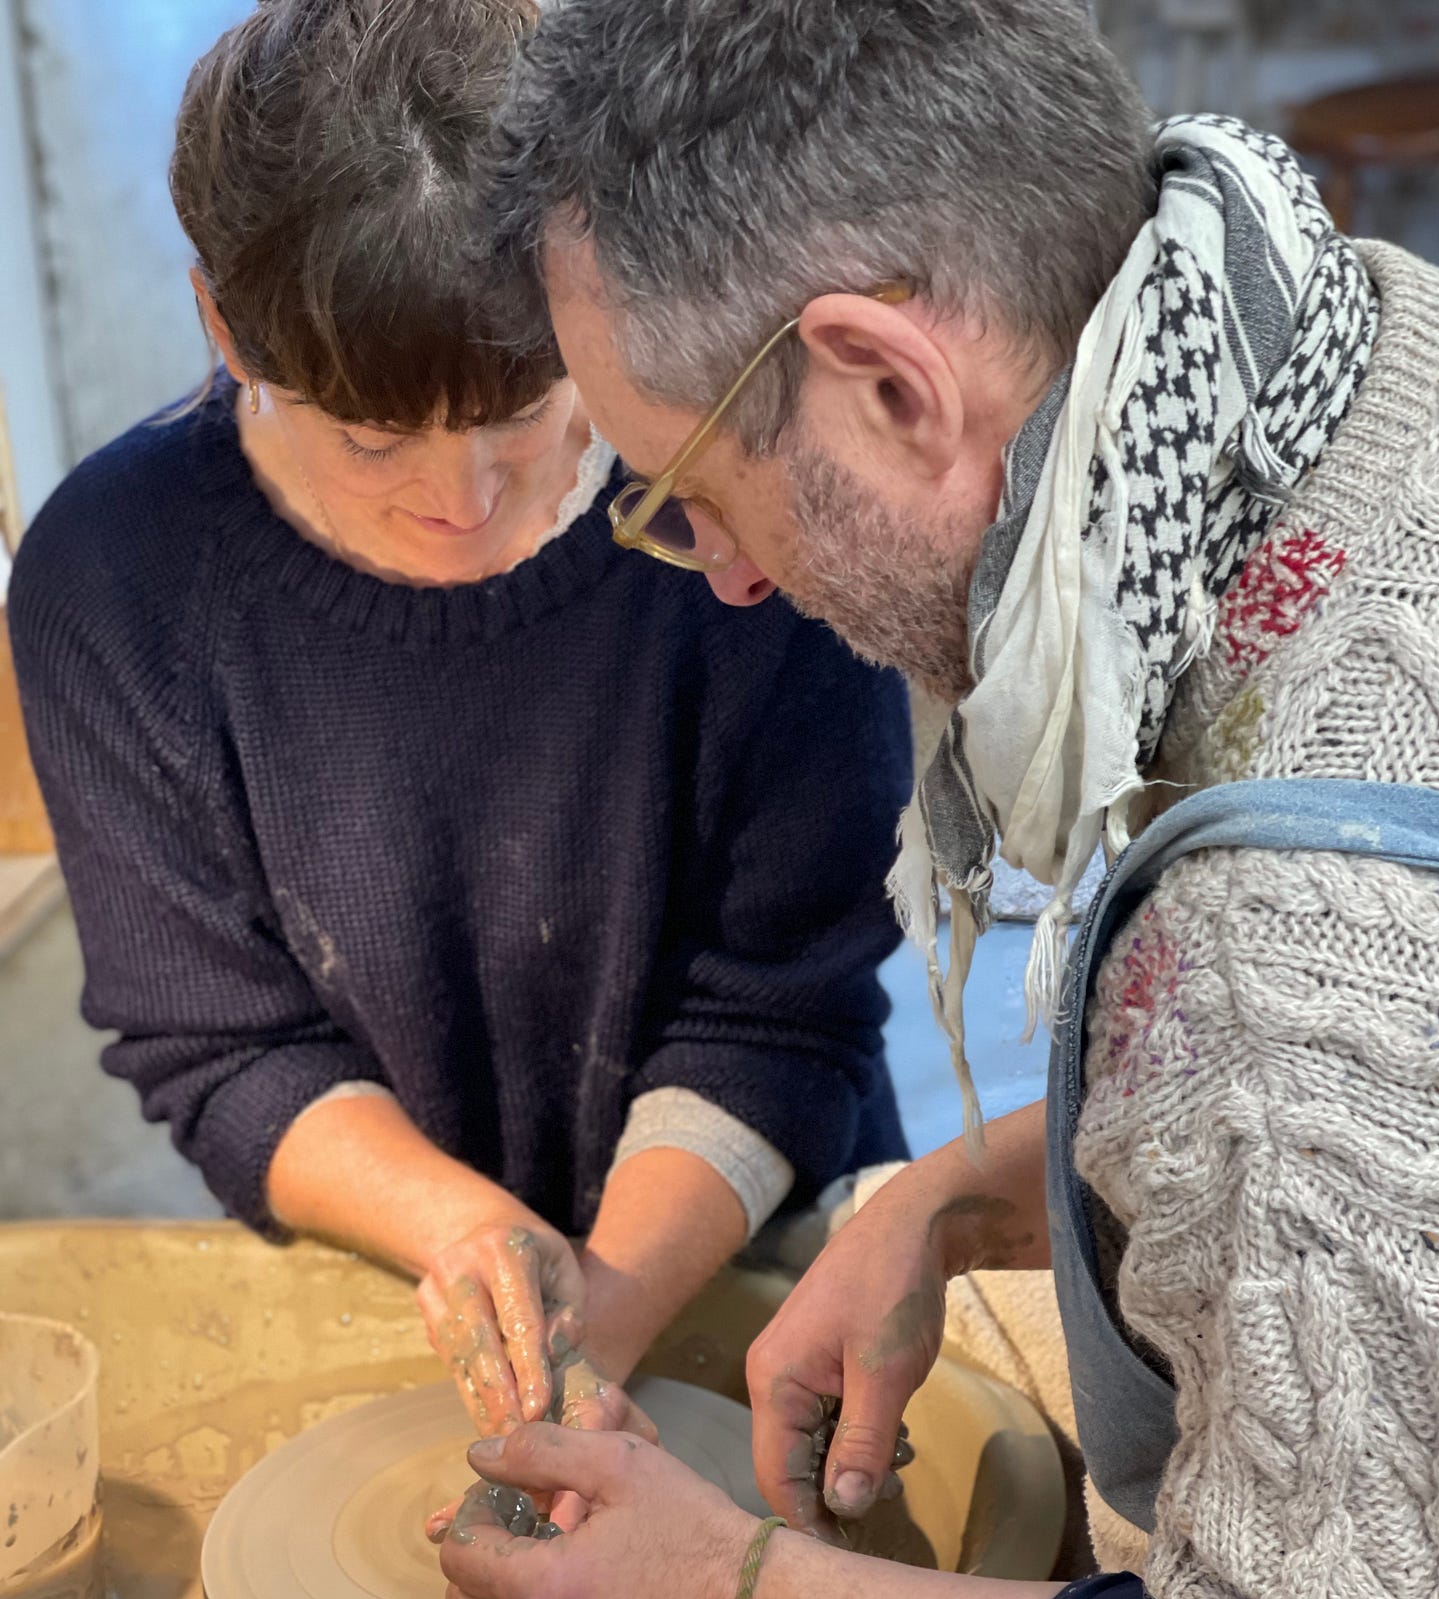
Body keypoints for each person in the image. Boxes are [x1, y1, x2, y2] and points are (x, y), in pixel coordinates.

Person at [331, 0, 1439, 1599]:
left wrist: (742, 1594)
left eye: (688, 491)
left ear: (887, 383)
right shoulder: (1363, 321)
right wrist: (957, 1191)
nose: (722, 569)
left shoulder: (1268, 990)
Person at [10, 0, 911, 1449]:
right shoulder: (114, 579)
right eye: (372, 440)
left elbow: (781, 1003)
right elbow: (219, 1042)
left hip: (757, 1222)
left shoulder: (745, 516)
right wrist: (466, 1236)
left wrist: (597, 1317)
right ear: (222, 326)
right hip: (396, 1269)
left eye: (533, 411)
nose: (463, 501)